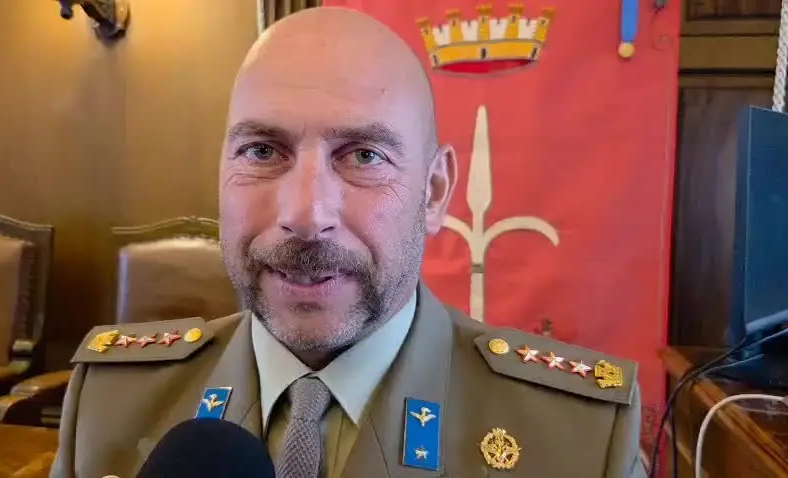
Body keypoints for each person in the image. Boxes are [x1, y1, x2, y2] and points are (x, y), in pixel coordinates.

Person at [50, 7, 646, 478]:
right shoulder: (111, 402)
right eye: (262, 151)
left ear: (435, 190)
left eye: (363, 156)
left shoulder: (581, 440)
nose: (305, 215)